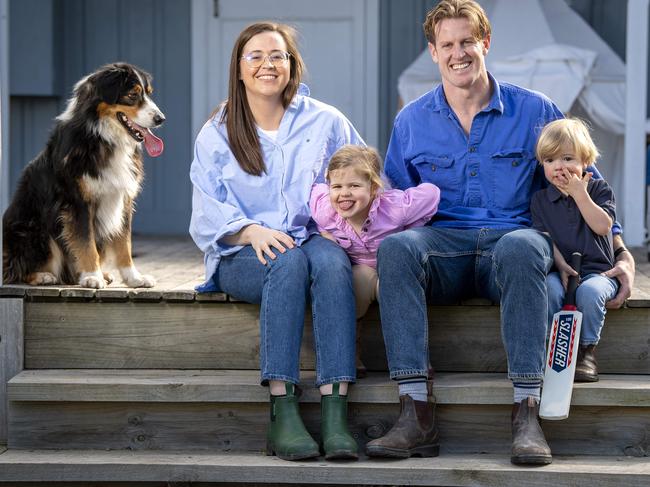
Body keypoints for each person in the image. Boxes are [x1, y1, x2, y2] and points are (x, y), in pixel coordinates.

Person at [364, 0, 635, 466]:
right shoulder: (411, 120)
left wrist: (622, 251)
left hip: (511, 246)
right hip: (442, 247)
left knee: (525, 242)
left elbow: (583, 180)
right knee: (399, 246)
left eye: (467, 41)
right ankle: (415, 411)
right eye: (446, 44)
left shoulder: (535, 111)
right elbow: (394, 205)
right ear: (433, 52)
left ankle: (527, 411)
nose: (458, 53)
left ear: (485, 43)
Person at [189, 22, 364, 462]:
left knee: (331, 264)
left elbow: (365, 178)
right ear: (240, 68)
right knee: (286, 263)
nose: (269, 64)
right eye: (256, 56)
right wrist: (250, 231)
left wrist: (344, 215)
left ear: (292, 65)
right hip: (241, 251)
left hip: (311, 238)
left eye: (278, 55)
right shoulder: (218, 131)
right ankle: (281, 407)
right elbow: (207, 210)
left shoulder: (326, 121)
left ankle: (335, 410)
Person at [309, 145, 440, 375]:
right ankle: (352, 350)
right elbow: (317, 190)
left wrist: (412, 226)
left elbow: (431, 194)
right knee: (356, 279)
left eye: (354, 186)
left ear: (373, 189)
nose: (344, 193)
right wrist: (325, 234)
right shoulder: (325, 209)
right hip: (364, 273)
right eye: (337, 186)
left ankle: (413, 356)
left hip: (394, 271)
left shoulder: (395, 207)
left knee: (398, 286)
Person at [532, 118, 619, 383]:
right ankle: (553, 347)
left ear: (585, 160)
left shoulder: (599, 189)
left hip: (598, 272)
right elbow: (546, 239)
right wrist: (559, 265)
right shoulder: (540, 199)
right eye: (550, 160)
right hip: (561, 269)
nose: (559, 166)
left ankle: (585, 350)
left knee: (590, 294)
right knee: (549, 290)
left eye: (568, 158)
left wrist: (580, 194)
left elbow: (604, 226)